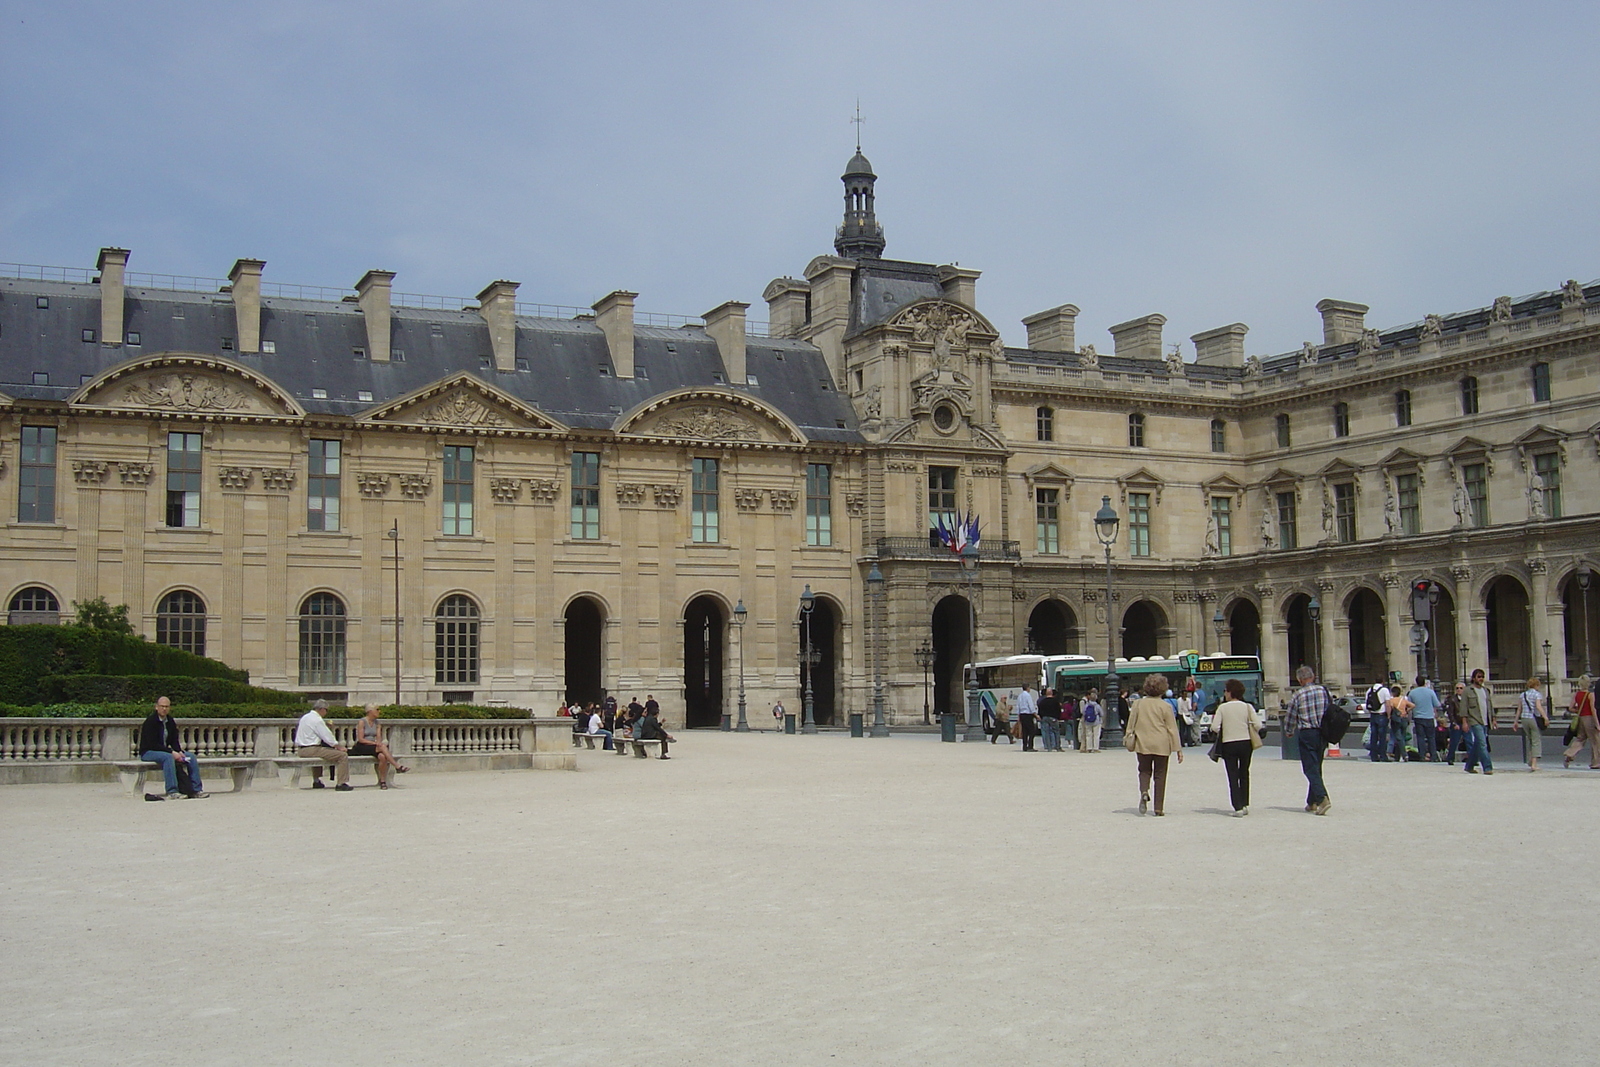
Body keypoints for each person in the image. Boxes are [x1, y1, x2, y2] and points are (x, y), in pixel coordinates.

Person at [1124, 674, 1183, 816]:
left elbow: (1131, 724)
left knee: (1144, 771)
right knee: (1160, 775)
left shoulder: (1138, 704)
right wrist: (1178, 749)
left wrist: (1128, 736)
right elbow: (1172, 728)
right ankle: (1158, 808)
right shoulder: (1165, 706)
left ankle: (1144, 791)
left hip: (1143, 743)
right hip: (1162, 743)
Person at [138, 696, 208, 799]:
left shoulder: (170, 721)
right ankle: (172, 791)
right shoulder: (150, 722)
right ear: (156, 707)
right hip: (149, 752)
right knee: (168, 758)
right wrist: (171, 752)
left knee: (191, 757)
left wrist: (179, 751)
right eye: (162, 706)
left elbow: (174, 740)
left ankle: (196, 790)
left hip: (164, 751)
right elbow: (152, 744)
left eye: (167, 706)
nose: (164, 709)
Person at [1284, 665, 1332, 814]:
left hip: (1307, 733)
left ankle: (1322, 798)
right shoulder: (1324, 691)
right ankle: (1312, 802)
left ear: (1300, 680)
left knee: (1309, 768)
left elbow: (1291, 715)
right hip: (1323, 732)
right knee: (1316, 766)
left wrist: (1289, 730)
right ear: (1313, 676)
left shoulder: (1298, 695)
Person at [1211, 678, 1263, 816]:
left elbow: (1214, 727)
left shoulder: (1222, 707)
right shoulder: (1247, 706)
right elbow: (1258, 725)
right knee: (1244, 773)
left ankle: (1237, 806)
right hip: (1245, 742)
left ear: (1229, 692)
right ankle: (1245, 803)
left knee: (1232, 775)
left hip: (1229, 744)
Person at [295, 699, 353, 790]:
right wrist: (338, 746)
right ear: (322, 709)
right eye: (326, 710)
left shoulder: (305, 717)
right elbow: (327, 736)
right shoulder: (317, 720)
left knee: (320, 751)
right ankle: (341, 783)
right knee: (342, 756)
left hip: (301, 749)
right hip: (312, 749)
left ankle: (316, 780)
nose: (326, 712)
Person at [350, 704, 409, 787]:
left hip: (373, 747)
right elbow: (361, 739)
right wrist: (375, 743)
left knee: (382, 756)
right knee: (382, 747)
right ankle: (397, 766)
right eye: (377, 709)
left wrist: (378, 743)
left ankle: (382, 781)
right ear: (370, 711)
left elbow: (378, 737)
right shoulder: (362, 722)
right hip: (362, 746)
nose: (379, 711)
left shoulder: (377, 723)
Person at [1462, 668, 1495, 775]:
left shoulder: (1485, 690)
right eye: (1478, 677)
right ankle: (1487, 767)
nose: (1481, 679)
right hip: (1474, 720)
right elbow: (1463, 708)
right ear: (1473, 678)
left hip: (1485, 720)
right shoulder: (1467, 691)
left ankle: (1469, 765)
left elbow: (1490, 706)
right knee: (1482, 743)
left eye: (1482, 677)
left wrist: (1493, 719)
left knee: (1477, 744)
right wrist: (1464, 722)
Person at [1563, 675, 1598, 769]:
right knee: (1595, 740)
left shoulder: (1577, 694)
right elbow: (1593, 709)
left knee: (1580, 739)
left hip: (1581, 718)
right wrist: (1597, 723)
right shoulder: (1590, 695)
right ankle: (1596, 762)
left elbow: (1571, 708)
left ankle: (1570, 753)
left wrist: (1578, 710)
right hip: (1589, 718)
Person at [1408, 676, 1441, 761]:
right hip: (1429, 716)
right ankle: (1433, 756)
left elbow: (1408, 704)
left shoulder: (1412, 692)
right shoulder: (1430, 692)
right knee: (1431, 737)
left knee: (1420, 737)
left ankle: (1422, 756)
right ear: (1425, 682)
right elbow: (1437, 704)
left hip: (1418, 717)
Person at [1518, 677, 1547, 771]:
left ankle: (1530, 759)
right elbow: (1538, 707)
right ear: (1536, 685)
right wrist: (1545, 717)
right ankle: (1534, 764)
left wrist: (1515, 721)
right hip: (1532, 718)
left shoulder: (1523, 695)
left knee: (1530, 739)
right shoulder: (1537, 694)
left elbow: (1519, 709)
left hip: (1524, 718)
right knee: (1536, 740)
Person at [1442, 681, 1469, 765]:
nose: (1459, 690)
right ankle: (1450, 758)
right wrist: (1454, 723)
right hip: (1457, 722)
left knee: (1469, 741)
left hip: (1466, 723)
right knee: (1454, 741)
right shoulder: (1452, 699)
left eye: (1461, 688)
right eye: (1457, 688)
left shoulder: (1467, 699)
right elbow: (1450, 712)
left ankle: (1472, 758)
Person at [1365, 678, 1393, 761]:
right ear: (1383, 681)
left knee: (1373, 737)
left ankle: (1373, 756)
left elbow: (1368, 703)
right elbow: (1388, 704)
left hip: (1373, 715)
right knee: (1382, 737)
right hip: (1381, 715)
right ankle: (1383, 756)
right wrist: (1388, 715)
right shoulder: (1384, 690)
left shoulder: (1369, 690)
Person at [1036, 687, 1063, 753]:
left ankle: (1049, 747)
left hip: (1045, 718)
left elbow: (1040, 711)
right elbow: (1058, 710)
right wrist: (1058, 717)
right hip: (1053, 717)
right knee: (1056, 732)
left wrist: (1041, 716)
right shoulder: (1055, 701)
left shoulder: (1042, 701)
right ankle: (1057, 747)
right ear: (1052, 693)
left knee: (1046, 732)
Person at [1015, 683, 1039, 752]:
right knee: (1032, 731)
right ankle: (1030, 746)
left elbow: (1018, 706)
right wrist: (1035, 715)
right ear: (1027, 688)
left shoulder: (1020, 696)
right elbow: (1031, 706)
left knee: (1024, 731)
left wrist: (1018, 715)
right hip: (1028, 714)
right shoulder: (1028, 696)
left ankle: (1024, 746)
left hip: (1022, 715)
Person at [1079, 688, 1103, 752]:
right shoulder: (1097, 705)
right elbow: (1101, 713)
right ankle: (1095, 748)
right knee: (1096, 735)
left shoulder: (1086, 705)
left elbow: (1083, 712)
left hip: (1087, 721)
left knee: (1088, 735)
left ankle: (1089, 748)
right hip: (1096, 721)